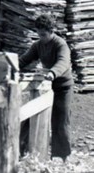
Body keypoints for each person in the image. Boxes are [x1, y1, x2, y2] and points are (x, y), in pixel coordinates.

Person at [19, 14, 73, 162]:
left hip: (62, 87)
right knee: (30, 117)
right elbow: (25, 59)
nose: (41, 37)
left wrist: (52, 73)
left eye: (43, 34)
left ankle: (62, 156)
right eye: (39, 34)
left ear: (51, 31)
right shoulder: (38, 45)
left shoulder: (60, 44)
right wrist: (12, 67)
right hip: (46, 87)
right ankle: (20, 151)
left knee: (60, 121)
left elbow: (63, 62)